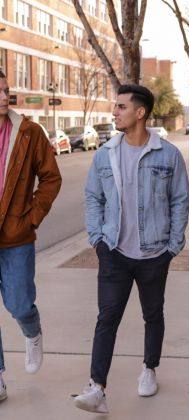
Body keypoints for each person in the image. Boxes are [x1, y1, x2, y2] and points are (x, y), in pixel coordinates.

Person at [74, 84, 189, 413]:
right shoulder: (105, 153)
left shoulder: (168, 155)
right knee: (107, 317)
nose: (115, 112)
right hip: (114, 252)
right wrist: (97, 238)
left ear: (140, 113)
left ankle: (149, 369)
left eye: (121, 107)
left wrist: (173, 245)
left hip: (155, 254)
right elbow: (93, 197)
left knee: (152, 314)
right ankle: (97, 388)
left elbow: (180, 200)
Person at [0, 71, 62, 402]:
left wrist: (32, 218)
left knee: (20, 303)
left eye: (6, 89)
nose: (4, 95)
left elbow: (51, 178)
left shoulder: (28, 132)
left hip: (16, 236)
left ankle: (32, 331)